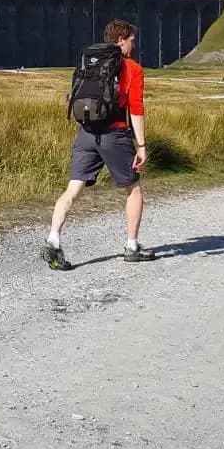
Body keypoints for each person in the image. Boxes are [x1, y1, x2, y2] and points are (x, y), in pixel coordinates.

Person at [42, 19, 152, 271]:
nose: (134, 45)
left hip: (86, 133)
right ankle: (132, 246)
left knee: (72, 190)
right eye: (132, 40)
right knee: (133, 188)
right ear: (121, 40)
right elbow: (136, 110)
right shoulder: (132, 69)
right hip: (114, 135)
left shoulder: (89, 61)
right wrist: (142, 145)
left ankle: (54, 238)